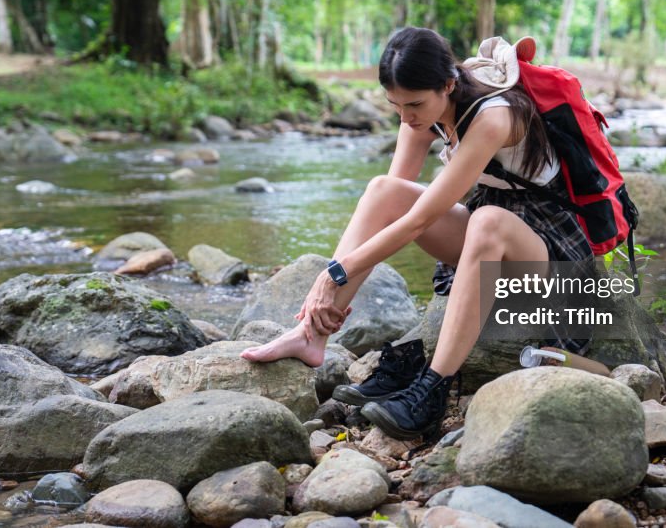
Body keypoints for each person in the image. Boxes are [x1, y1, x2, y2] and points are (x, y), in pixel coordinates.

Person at [241, 26, 595, 439]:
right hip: (495, 238)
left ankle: (432, 389)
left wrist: (331, 273)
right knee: (381, 190)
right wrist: (341, 277)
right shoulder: (423, 109)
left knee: (487, 221)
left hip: (554, 259)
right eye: (395, 106)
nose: (407, 118)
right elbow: (395, 205)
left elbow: (419, 221)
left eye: (414, 105)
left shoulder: (496, 116)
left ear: (448, 85)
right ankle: (310, 336)